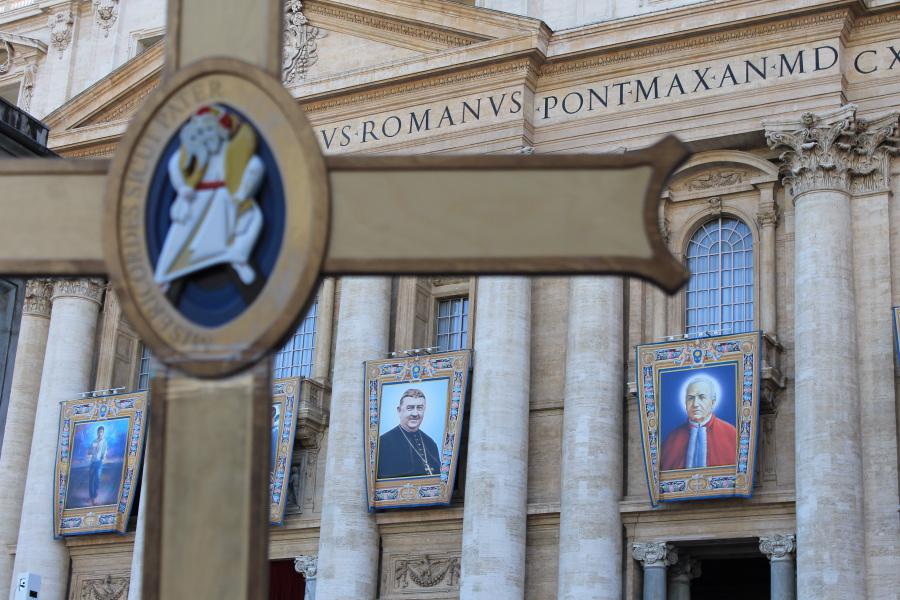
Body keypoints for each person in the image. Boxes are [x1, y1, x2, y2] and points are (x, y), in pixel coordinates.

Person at [154, 104, 266, 290]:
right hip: (199, 197)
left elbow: (253, 167)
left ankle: (239, 258)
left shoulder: (231, 149)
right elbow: (174, 166)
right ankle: (163, 276)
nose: (207, 133)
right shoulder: (194, 150)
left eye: (210, 129)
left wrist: (242, 192)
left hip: (225, 195)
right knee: (179, 236)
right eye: (203, 129)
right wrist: (182, 188)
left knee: (253, 218)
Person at [660, 376, 737, 470]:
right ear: (685, 402)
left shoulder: (731, 434)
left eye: (702, 397)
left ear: (713, 401)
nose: (695, 404)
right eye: (691, 398)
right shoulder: (671, 439)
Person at [377, 388, 441, 479]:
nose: (415, 413)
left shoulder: (431, 444)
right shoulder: (383, 443)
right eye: (410, 408)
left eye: (419, 408)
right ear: (399, 411)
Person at [87, 426, 108, 506]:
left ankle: (94, 495)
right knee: (91, 480)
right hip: (92, 462)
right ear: (97, 432)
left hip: (99, 462)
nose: (100, 433)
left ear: (103, 433)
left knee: (97, 480)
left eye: (101, 432)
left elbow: (105, 452)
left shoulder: (104, 442)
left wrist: (102, 459)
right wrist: (92, 450)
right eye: (99, 432)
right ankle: (92, 498)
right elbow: (89, 452)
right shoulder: (93, 441)